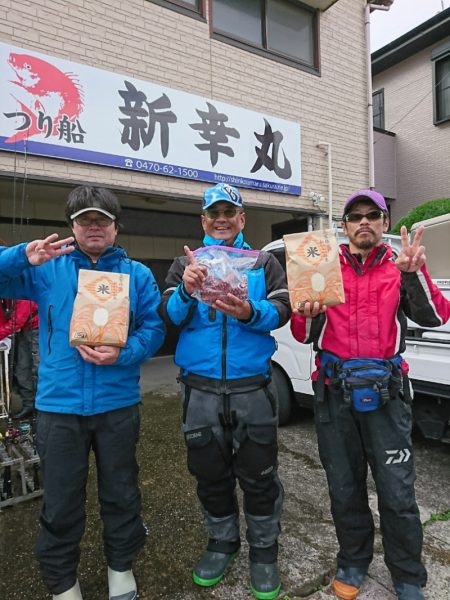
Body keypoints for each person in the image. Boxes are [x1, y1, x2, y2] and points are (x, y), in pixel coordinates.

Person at [0, 186, 165, 600]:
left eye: (102, 220)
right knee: (59, 500)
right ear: (71, 225)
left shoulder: (138, 274)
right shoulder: (46, 268)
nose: (94, 226)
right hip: (58, 406)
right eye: (85, 219)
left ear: (115, 226)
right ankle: (62, 582)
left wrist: (124, 352)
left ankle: (121, 568)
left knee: (122, 492)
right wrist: (23, 256)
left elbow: (155, 328)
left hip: (118, 405)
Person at [290, 189, 450, 600]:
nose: (363, 222)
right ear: (344, 227)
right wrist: (304, 313)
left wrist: (413, 275)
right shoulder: (321, 265)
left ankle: (408, 575)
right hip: (334, 393)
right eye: (354, 216)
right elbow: (304, 334)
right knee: (344, 487)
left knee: (397, 491)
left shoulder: (400, 266)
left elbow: (434, 317)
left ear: (383, 223)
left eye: (372, 215)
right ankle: (353, 562)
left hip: (388, 395)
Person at [160, 183, 291, 600]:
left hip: (252, 388)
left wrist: (251, 312)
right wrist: (186, 288)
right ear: (203, 220)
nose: (221, 219)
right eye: (213, 212)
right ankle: (222, 542)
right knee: (210, 474)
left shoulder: (262, 261)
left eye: (228, 212)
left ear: (241, 219)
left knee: (260, 475)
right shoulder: (186, 262)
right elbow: (169, 316)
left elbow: (283, 309)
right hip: (199, 392)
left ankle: (264, 551)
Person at [0, 294, 39, 419]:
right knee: (22, 368)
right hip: (24, 329)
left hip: (38, 329)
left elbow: (18, 319)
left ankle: (42, 407)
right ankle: (29, 405)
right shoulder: (5, 293)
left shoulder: (22, 291)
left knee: (38, 368)